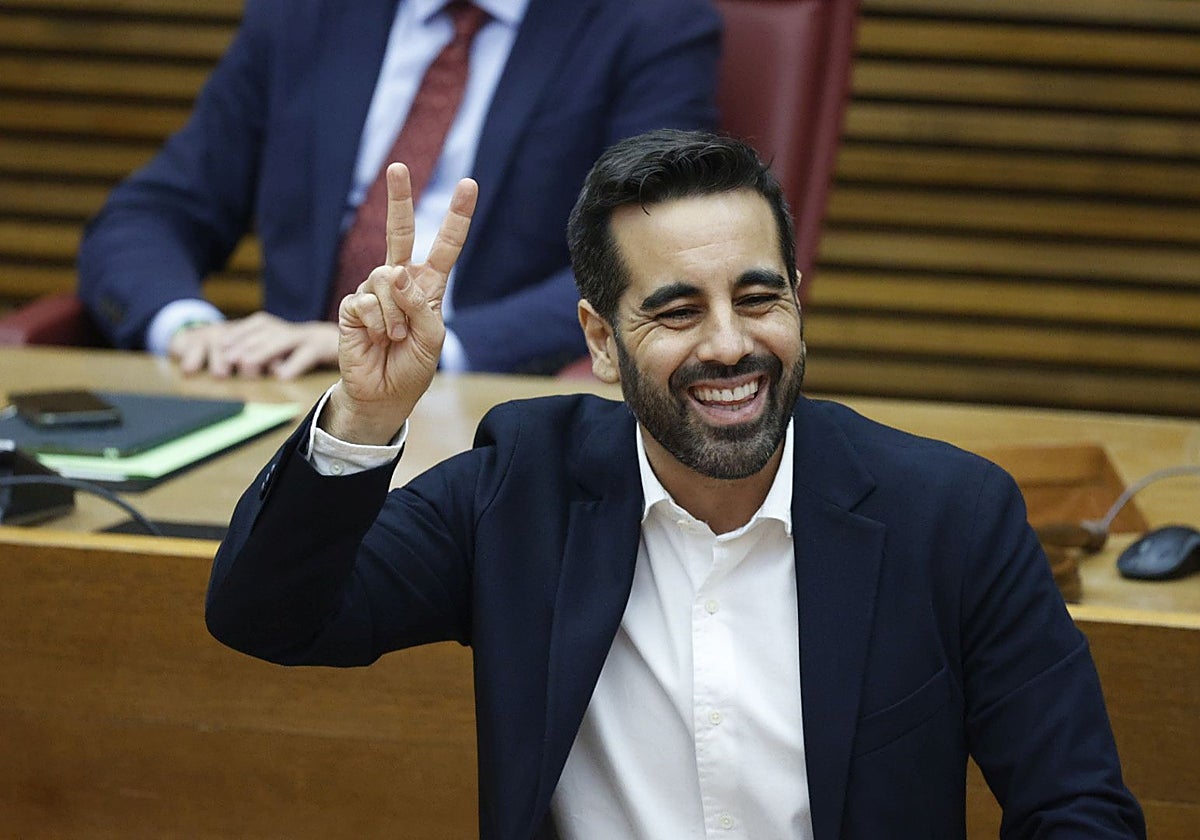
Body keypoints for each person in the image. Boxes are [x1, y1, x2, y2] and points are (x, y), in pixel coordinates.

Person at [206, 130, 1146, 839]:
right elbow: (269, 617)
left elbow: (1079, 808)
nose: (731, 343)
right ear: (601, 343)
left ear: (798, 298)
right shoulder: (520, 490)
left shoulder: (951, 516)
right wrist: (367, 416)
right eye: (678, 310)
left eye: (759, 296)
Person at [78, 0, 720, 378]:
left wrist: (433, 350)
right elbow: (153, 213)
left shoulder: (652, 23)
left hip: (493, 410)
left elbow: (650, 261)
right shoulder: (306, 15)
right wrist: (190, 330)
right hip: (288, 395)